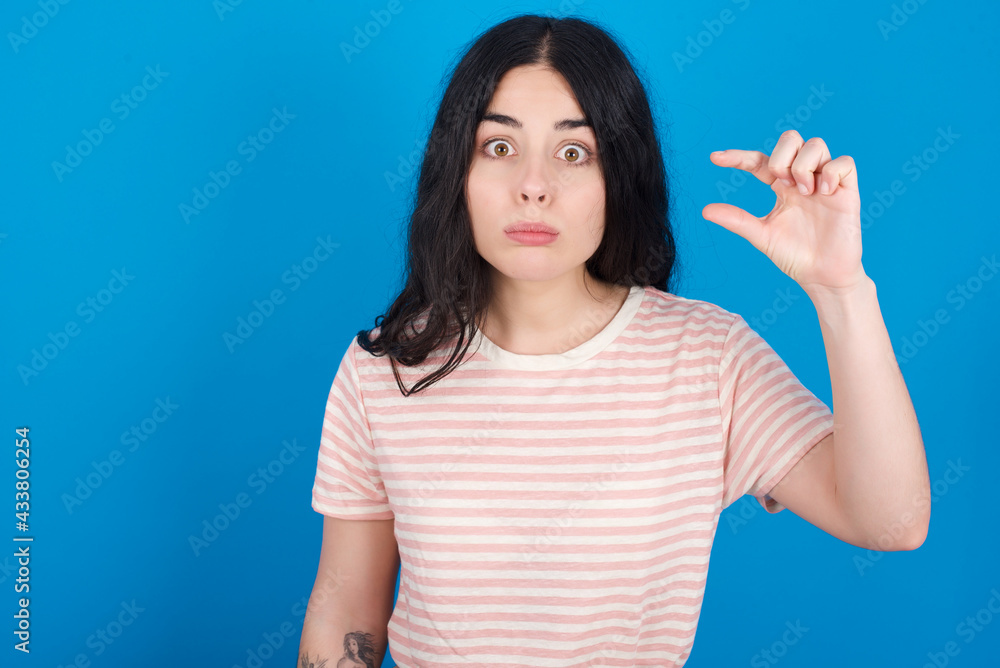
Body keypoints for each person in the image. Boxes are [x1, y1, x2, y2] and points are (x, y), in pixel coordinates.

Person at [297, 13, 930, 668]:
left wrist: (842, 291)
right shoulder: (385, 368)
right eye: (500, 147)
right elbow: (347, 610)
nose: (533, 186)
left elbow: (890, 520)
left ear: (618, 177)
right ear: (456, 169)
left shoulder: (707, 358)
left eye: (574, 152)